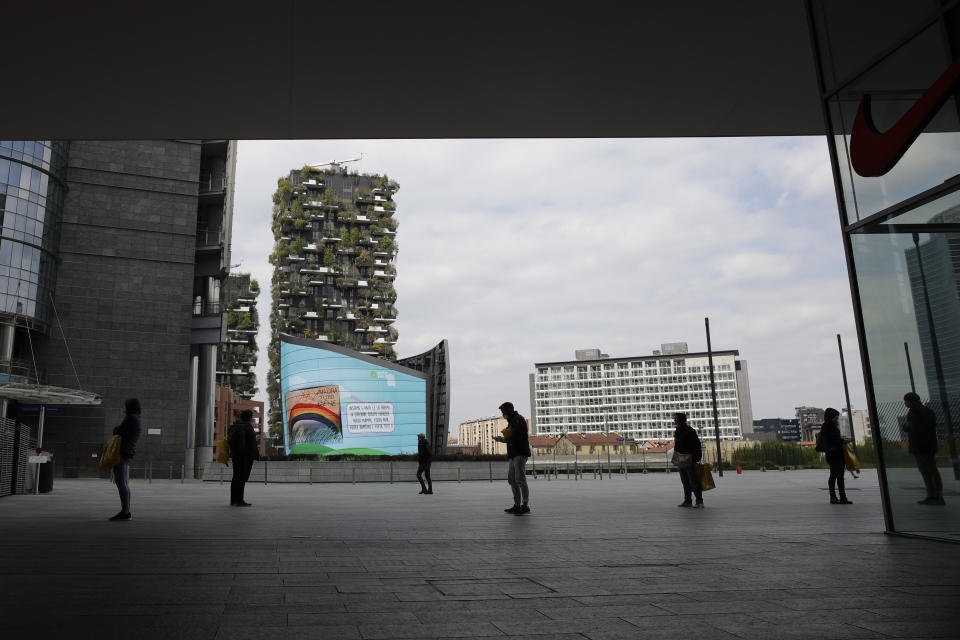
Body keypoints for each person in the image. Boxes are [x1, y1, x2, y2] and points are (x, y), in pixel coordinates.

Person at [903, 392, 944, 505]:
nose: (905, 404)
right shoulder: (926, 411)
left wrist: (910, 426)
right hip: (927, 445)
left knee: (927, 470)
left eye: (906, 401)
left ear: (911, 401)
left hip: (921, 446)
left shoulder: (916, 412)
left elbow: (919, 427)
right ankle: (935, 495)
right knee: (930, 469)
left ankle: (933, 495)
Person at [492, 401, 531, 515]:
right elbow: (511, 437)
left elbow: (515, 438)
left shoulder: (518, 420)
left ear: (508, 410)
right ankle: (517, 505)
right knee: (512, 480)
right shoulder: (512, 421)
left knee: (520, 479)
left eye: (503, 411)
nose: (502, 414)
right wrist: (502, 439)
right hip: (513, 454)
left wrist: (503, 439)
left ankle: (525, 505)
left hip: (519, 453)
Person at [109, 398, 142, 521]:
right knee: (122, 482)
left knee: (121, 482)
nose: (123, 407)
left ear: (130, 407)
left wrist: (116, 429)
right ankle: (125, 510)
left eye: (125, 405)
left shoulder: (130, 419)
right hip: (127, 452)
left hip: (122, 453)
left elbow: (118, 432)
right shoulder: (137, 419)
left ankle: (125, 511)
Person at [228, 409, 260, 506]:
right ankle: (240, 500)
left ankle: (233, 500)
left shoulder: (236, 426)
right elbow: (252, 444)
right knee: (241, 479)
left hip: (236, 455)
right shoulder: (248, 428)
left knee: (236, 477)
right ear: (250, 418)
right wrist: (255, 455)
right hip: (245, 457)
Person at [820, 407, 851, 504]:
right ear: (831, 417)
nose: (837, 419)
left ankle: (841, 497)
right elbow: (834, 440)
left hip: (836, 454)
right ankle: (834, 497)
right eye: (836, 417)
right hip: (833, 454)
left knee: (838, 476)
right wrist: (845, 441)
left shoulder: (832, 426)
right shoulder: (827, 426)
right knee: (835, 475)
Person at [672, 412, 704, 508]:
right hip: (680, 458)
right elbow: (677, 445)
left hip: (689, 459)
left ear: (681, 419)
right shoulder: (677, 431)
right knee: (685, 481)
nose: (674, 420)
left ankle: (699, 501)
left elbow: (696, 445)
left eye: (676, 418)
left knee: (693, 481)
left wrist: (696, 458)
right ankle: (687, 500)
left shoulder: (689, 431)